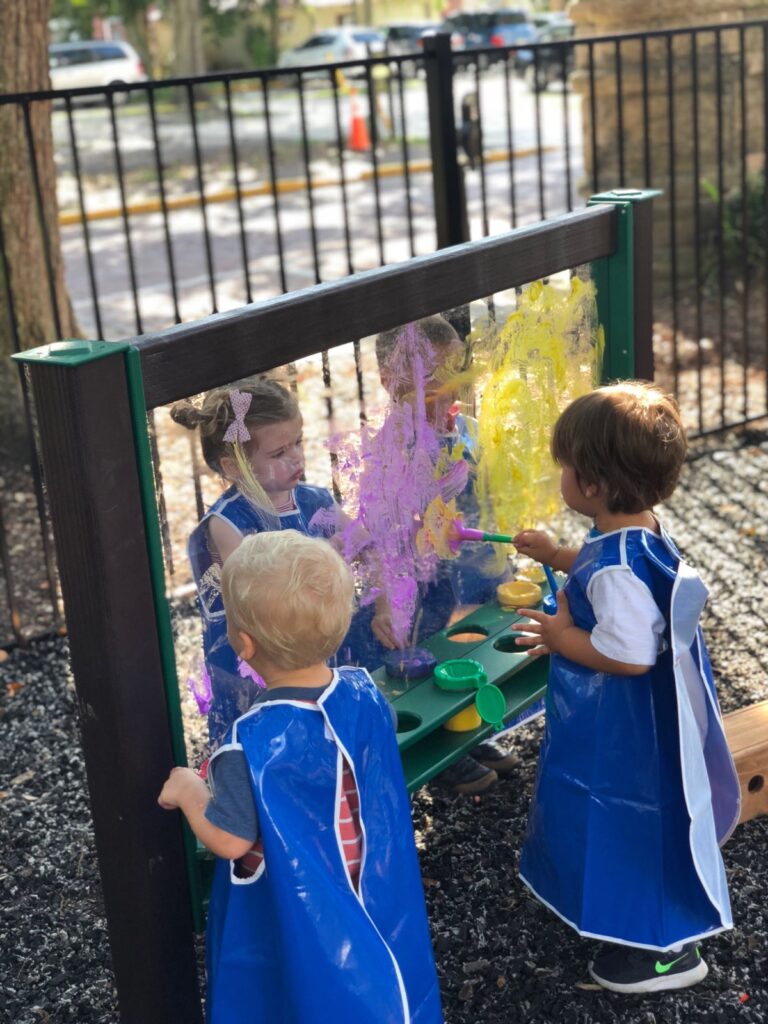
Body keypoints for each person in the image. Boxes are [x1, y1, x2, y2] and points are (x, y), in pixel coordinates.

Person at [157, 531, 444, 1024]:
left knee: (300, 993)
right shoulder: (364, 691)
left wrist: (189, 791)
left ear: (243, 645)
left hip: (302, 912)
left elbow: (230, 839)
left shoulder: (250, 742)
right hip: (372, 887)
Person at [511, 381, 741, 994]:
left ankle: (663, 950)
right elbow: (605, 571)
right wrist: (559, 554)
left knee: (631, 822)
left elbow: (628, 653)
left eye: (566, 465)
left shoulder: (616, 567)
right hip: (637, 723)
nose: (561, 475)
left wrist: (561, 640)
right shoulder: (638, 532)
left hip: (625, 730)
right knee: (621, 820)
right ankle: (623, 914)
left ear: (592, 485)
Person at [371, 315, 516, 796]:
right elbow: (383, 528)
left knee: (474, 649)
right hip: (424, 582)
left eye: (458, 369)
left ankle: (471, 729)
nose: (454, 386)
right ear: (393, 384)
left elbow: (488, 489)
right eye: (437, 377)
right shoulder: (392, 446)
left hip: (471, 572)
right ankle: (442, 750)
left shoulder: (464, 427)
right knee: (430, 657)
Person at [171, 378, 337, 748]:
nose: (296, 458)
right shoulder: (227, 524)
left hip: (308, 641)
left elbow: (363, 541)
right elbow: (260, 591)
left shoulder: (314, 499)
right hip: (259, 658)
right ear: (233, 466)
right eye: (278, 453)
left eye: (298, 442)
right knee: (263, 738)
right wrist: (331, 554)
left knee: (318, 728)